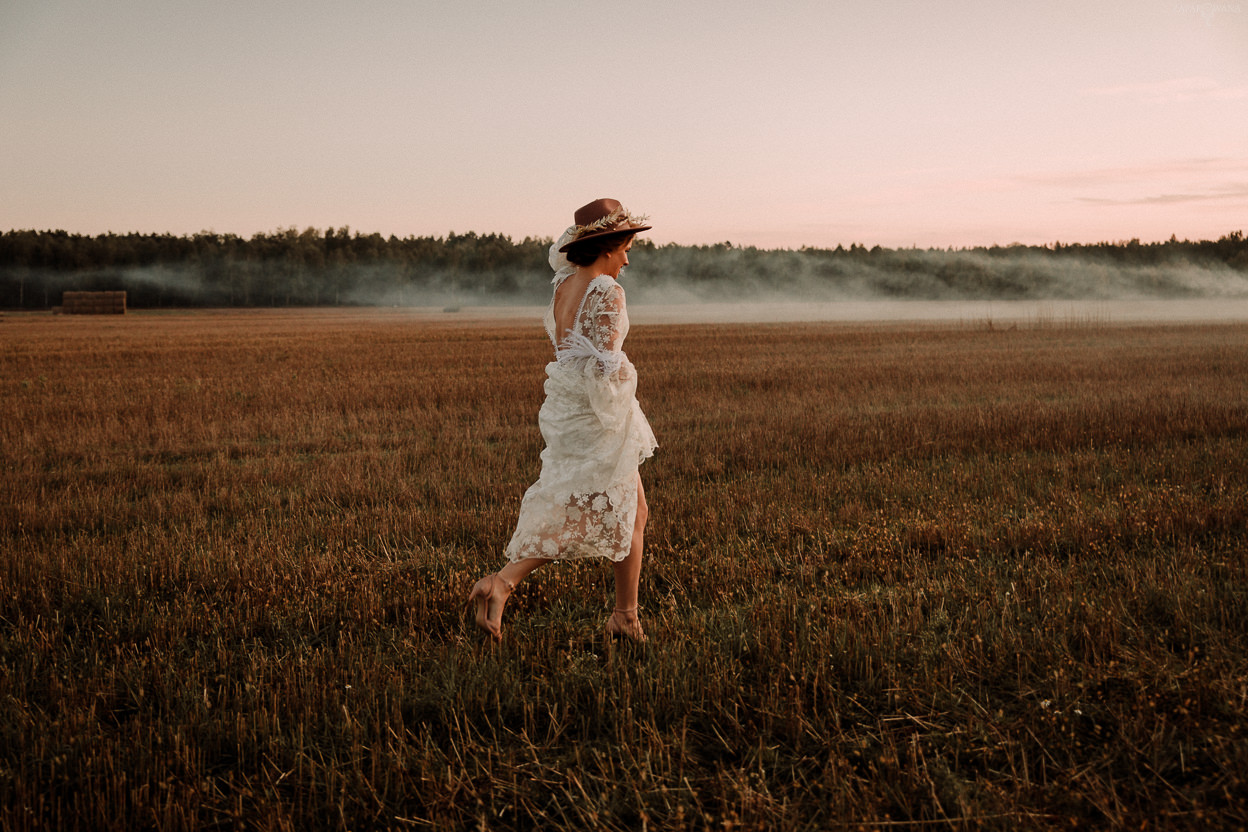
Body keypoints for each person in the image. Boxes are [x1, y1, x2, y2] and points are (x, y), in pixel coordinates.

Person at [468, 198, 658, 643]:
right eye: (626, 247)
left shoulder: (564, 285)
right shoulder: (607, 290)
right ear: (608, 246)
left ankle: (624, 616)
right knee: (607, 509)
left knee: (630, 510)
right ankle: (504, 583)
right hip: (595, 409)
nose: (628, 258)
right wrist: (620, 402)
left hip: (566, 404)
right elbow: (605, 364)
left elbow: (570, 349)